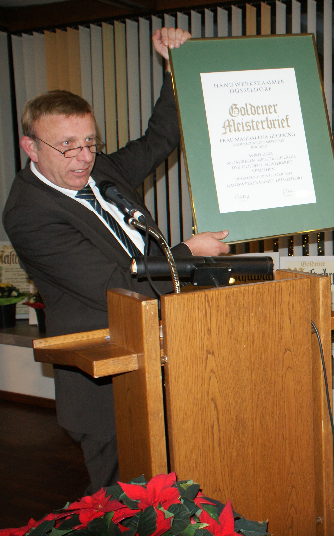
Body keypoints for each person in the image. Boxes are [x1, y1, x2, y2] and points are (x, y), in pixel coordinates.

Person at [3, 27, 229, 495]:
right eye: (68, 145)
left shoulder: (99, 169)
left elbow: (161, 137)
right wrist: (188, 253)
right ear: (31, 147)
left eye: (91, 142)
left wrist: (173, 66)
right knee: (122, 504)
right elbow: (117, 284)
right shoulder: (29, 213)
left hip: (164, 351)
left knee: (179, 490)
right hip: (107, 380)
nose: (84, 158)